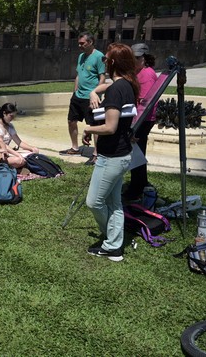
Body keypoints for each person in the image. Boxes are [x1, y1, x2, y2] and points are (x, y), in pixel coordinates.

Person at [82, 43, 139, 262]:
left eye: (106, 60)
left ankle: (113, 241)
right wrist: (94, 91)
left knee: (94, 201)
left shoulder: (117, 89)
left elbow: (110, 127)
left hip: (112, 157)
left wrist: (87, 128)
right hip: (122, 154)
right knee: (114, 203)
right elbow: (103, 88)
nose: (103, 62)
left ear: (113, 62)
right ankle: (115, 244)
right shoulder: (127, 85)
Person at [59, 33, 106, 165]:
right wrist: (74, 92)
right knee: (71, 121)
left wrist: (96, 94)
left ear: (90, 42)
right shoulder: (81, 56)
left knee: (95, 125)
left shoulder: (99, 56)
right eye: (79, 43)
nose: (79, 45)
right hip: (78, 96)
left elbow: (102, 77)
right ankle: (75, 148)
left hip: (91, 97)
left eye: (82, 43)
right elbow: (79, 75)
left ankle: (96, 154)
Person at [123, 43, 159, 200]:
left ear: (144, 58)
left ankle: (137, 187)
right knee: (137, 152)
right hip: (139, 118)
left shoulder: (147, 74)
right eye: (132, 58)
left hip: (143, 119)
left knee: (136, 153)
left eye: (137, 58)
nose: (134, 61)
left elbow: (145, 103)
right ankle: (140, 183)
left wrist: (133, 125)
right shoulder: (139, 72)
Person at [0, 103, 39, 170]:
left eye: (14, 116)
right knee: (18, 160)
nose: (12, 118)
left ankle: (15, 166)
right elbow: (2, 144)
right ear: (4, 113)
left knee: (32, 153)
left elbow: (19, 142)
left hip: (7, 153)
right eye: (11, 116)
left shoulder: (10, 126)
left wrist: (32, 148)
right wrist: (18, 155)